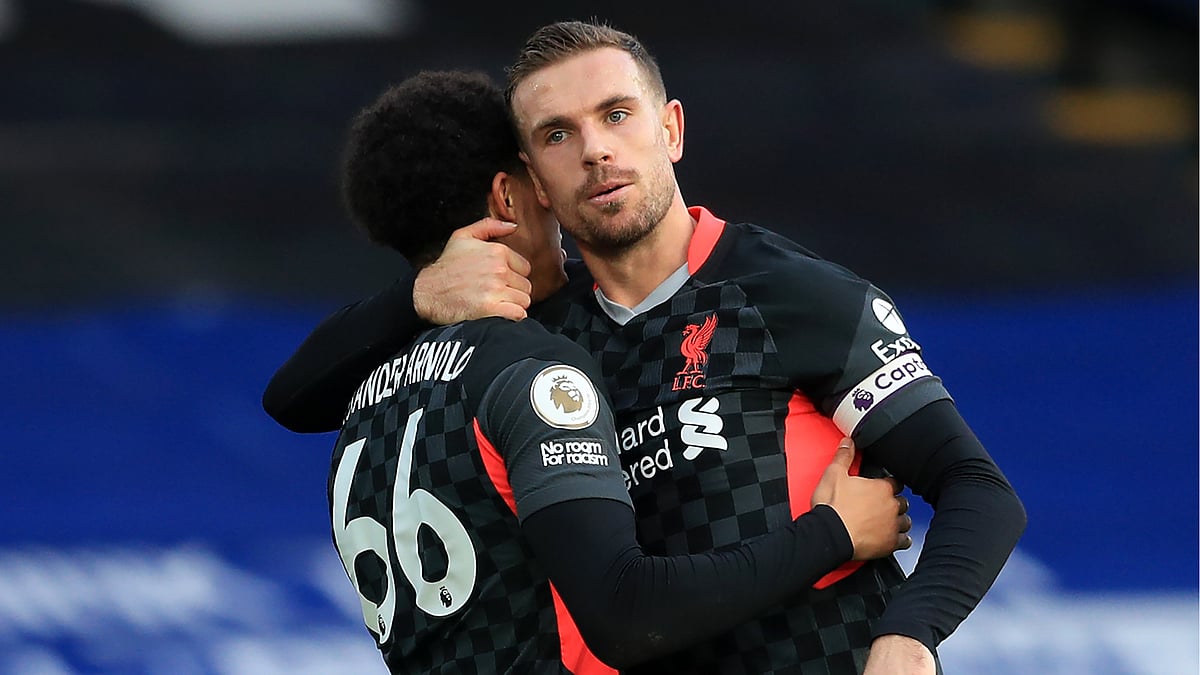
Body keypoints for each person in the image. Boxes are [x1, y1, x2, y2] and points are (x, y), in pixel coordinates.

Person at [264, 21, 1027, 674]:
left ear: (671, 129)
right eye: (559, 134)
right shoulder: (540, 338)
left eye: (617, 114)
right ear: (531, 179)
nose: (596, 149)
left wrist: (911, 629)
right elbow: (296, 396)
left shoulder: (787, 293)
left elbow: (978, 487)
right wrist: (419, 294)